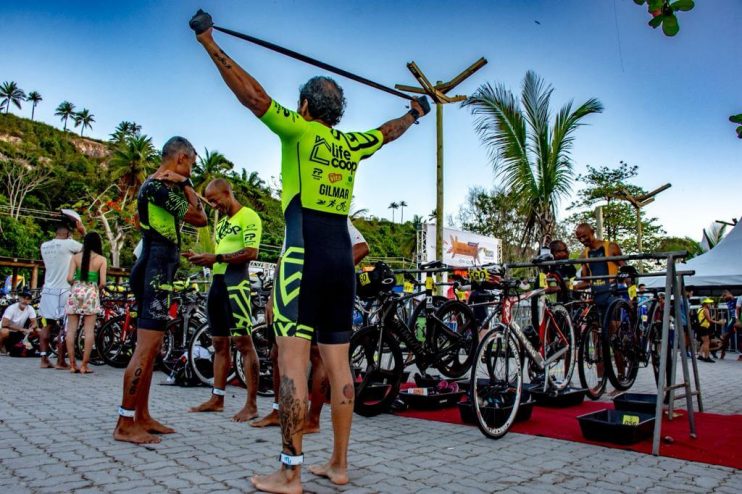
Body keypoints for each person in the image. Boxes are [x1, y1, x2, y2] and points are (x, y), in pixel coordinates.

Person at [190, 10, 429, 492]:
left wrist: (208, 42)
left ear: (303, 106)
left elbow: (253, 97)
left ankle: (290, 473)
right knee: (339, 364)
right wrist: (416, 113)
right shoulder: (351, 143)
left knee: (294, 362)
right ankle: (338, 466)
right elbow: (387, 132)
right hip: (341, 256)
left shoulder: (299, 130)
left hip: (301, 252)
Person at [113, 136, 208, 444]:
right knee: (145, 347)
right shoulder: (157, 188)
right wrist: (187, 183)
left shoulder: (159, 187)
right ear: (180, 158)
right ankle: (125, 422)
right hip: (154, 269)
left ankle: (141, 415)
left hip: (157, 267)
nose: (191, 168)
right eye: (191, 163)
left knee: (153, 346)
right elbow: (199, 217)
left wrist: (182, 181)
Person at [252, 219, 370, 433]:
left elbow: (362, 247)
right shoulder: (292, 215)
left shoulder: (332, 214)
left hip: (318, 292)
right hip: (290, 293)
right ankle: (279, 411)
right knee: (278, 351)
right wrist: (272, 296)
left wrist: (328, 276)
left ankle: (313, 420)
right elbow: (283, 257)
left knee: (318, 355)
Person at [185, 178, 263, 422]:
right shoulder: (223, 224)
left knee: (243, 343)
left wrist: (216, 258)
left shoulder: (248, 216)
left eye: (216, 200)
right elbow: (219, 256)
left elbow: (251, 252)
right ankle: (217, 398)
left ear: (228, 193)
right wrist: (203, 258)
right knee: (219, 343)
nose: (214, 205)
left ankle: (251, 404)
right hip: (218, 285)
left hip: (236, 283)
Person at [38, 211, 85, 369]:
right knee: (65, 327)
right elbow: (90, 250)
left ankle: (44, 359)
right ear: (67, 232)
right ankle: (60, 360)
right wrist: (83, 232)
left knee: (47, 325)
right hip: (64, 290)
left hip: (47, 290)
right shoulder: (69, 244)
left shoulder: (44, 245)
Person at [64, 232, 107, 374]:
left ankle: (71, 364)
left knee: (71, 330)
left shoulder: (75, 257)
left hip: (76, 290)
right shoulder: (101, 259)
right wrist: (93, 287)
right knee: (89, 330)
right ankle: (84, 365)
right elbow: (103, 283)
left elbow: (69, 278)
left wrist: (77, 283)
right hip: (91, 291)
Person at [0, 289, 37, 355]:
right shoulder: (11, 308)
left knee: (37, 330)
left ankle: (39, 350)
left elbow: (34, 323)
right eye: (23, 298)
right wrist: (21, 329)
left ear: (30, 301)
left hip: (19, 332)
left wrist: (31, 328)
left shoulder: (30, 308)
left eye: (28, 299)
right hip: (9, 330)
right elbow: (4, 324)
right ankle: (1, 347)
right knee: (4, 331)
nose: (25, 301)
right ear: (19, 298)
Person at [697, 298, 724, 363]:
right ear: (706, 304)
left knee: (704, 342)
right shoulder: (706, 310)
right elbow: (709, 320)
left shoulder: (700, 309)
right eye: (709, 303)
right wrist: (718, 322)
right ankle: (707, 357)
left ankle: (700, 355)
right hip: (704, 327)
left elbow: (705, 319)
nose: (710, 304)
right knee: (707, 342)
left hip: (700, 327)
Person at [719, 290, 737, 359]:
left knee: (726, 336)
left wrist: (730, 296)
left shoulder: (736, 300)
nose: (724, 298)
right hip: (733, 318)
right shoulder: (728, 301)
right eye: (723, 297)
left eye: (725, 296)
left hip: (737, 318)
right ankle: (723, 352)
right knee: (726, 336)